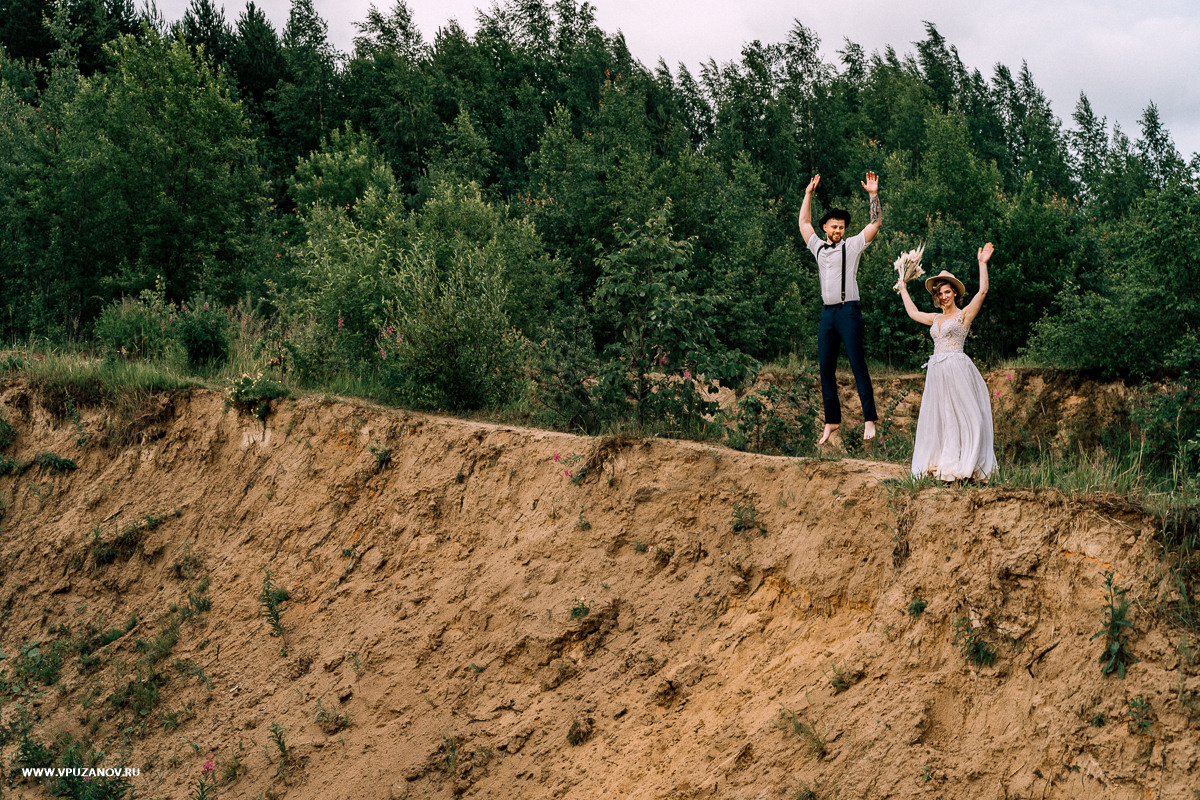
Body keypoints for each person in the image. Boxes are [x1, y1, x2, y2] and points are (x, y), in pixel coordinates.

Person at [894, 243, 997, 481]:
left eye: (947, 292)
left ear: (955, 294)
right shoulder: (935, 318)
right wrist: (904, 289)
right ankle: (942, 461)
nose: (943, 296)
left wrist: (982, 263)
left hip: (958, 368)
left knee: (966, 414)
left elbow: (982, 292)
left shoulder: (964, 315)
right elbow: (913, 313)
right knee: (942, 417)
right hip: (937, 372)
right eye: (939, 293)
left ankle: (967, 461)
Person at [798, 172, 882, 445]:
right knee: (825, 369)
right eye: (834, 227)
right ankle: (832, 420)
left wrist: (873, 195)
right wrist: (808, 194)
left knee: (858, 364)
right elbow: (804, 222)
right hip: (827, 314)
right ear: (826, 228)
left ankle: (869, 418)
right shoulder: (818, 249)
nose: (838, 231)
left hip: (848, 311)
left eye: (842, 227)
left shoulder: (853, 246)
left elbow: (875, 223)